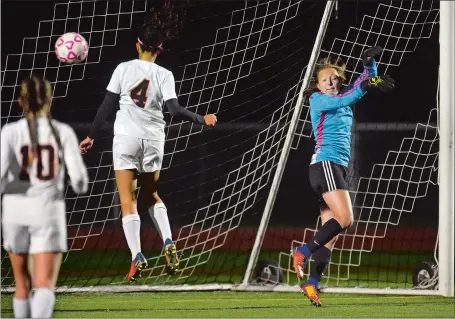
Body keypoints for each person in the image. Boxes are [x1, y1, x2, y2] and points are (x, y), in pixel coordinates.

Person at [79, 4, 217, 282]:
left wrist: (91, 135)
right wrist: (202, 119)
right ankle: (168, 240)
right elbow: (175, 111)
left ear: (138, 44)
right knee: (151, 195)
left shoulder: (124, 68)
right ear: (160, 49)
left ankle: (137, 256)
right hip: (154, 139)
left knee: (127, 200)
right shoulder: (165, 75)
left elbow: (107, 105)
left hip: (127, 138)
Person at [293, 46, 395, 307]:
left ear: (340, 80)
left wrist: (369, 65)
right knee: (346, 219)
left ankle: (312, 283)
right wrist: (366, 85)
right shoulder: (318, 99)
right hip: (324, 165)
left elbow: (361, 83)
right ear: (317, 84)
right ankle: (302, 252)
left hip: (335, 169)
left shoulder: (345, 93)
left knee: (332, 234)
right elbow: (348, 97)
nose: (329, 82)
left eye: (334, 78)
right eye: (324, 79)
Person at [1, 75, 89, 318]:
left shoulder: (10, 132)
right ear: (49, 100)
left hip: (15, 211)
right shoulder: (62, 132)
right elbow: (80, 182)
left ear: (21, 102)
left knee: (22, 284)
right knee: (44, 284)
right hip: (47, 211)